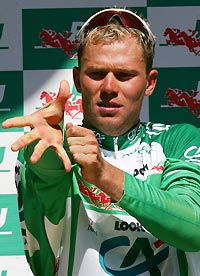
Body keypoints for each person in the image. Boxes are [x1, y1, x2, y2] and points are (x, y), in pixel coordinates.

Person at [2, 8, 200, 276]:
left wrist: (105, 174)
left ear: (150, 83)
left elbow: (194, 229)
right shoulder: (55, 143)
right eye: (96, 73)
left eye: (124, 75)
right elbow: (48, 182)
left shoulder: (178, 139)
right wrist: (49, 153)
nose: (108, 87)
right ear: (77, 80)